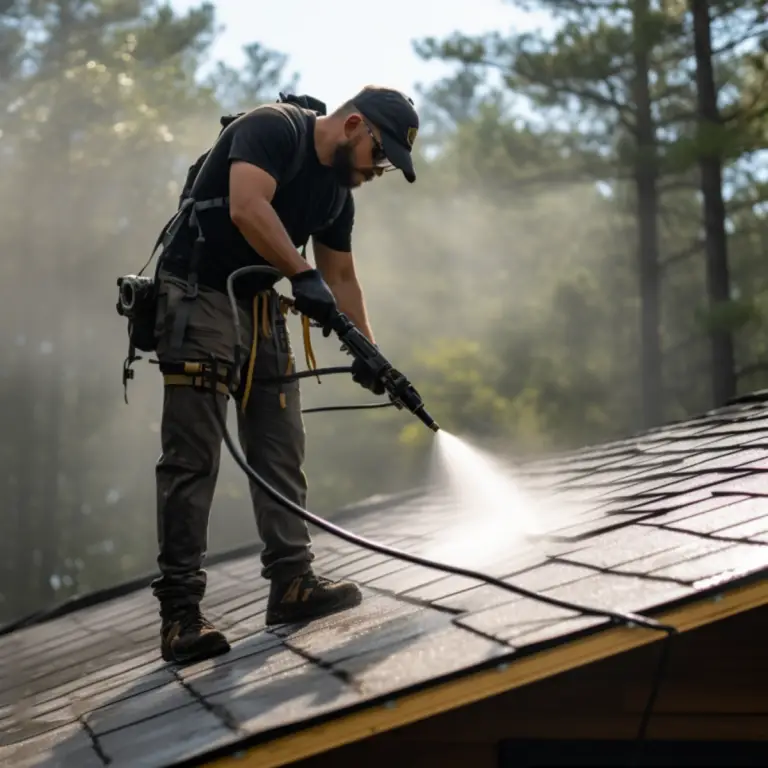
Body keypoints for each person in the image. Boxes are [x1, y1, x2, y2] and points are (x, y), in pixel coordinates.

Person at [150, 85, 420, 664]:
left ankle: (293, 584)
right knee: (193, 456)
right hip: (198, 290)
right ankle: (180, 615)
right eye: (381, 155)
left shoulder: (336, 197)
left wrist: (371, 356)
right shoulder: (272, 128)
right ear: (354, 125)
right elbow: (249, 206)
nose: (379, 170)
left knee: (280, 443)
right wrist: (300, 274)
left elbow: (341, 278)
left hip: (256, 300)